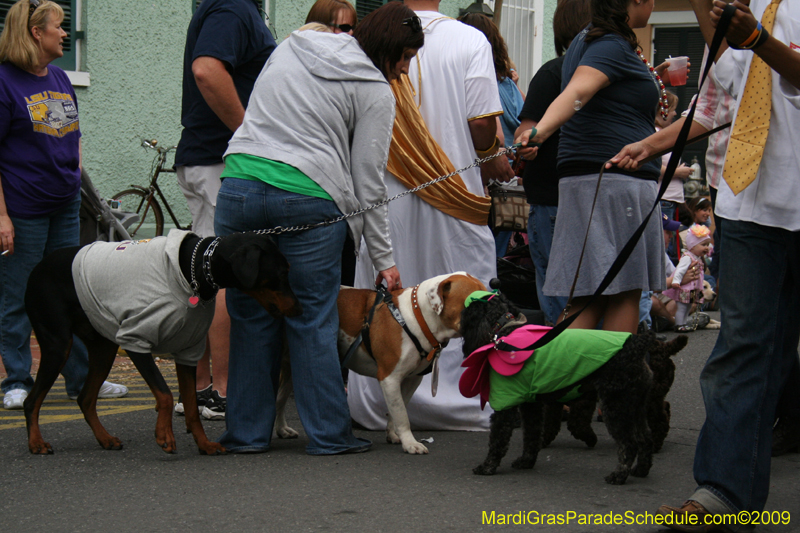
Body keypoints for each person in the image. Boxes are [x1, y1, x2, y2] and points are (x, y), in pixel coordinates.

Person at [611, 0, 800, 522]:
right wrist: (648, 145)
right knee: (741, 350)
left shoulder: (753, 24)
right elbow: (715, 109)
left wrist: (759, 39)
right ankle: (723, 494)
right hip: (749, 205)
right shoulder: (743, 14)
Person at [213, 2, 421, 454]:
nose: (403, 71)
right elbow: (369, 181)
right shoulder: (374, 88)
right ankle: (329, 436)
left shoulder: (293, 45)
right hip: (308, 197)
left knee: (250, 314)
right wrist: (384, 260)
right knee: (313, 317)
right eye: (403, 58)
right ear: (387, 49)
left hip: (237, 186)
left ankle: (245, 435)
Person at [348, 0, 513, 433]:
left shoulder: (370, 36)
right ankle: (466, 401)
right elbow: (482, 126)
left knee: (388, 290)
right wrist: (492, 155)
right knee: (463, 293)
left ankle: (375, 401)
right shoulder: (470, 39)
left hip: (387, 193)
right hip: (456, 194)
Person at [0, 0, 127, 409]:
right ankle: (16, 381)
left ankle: (82, 380)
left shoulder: (57, 77)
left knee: (73, 293)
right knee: (19, 294)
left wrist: (76, 176)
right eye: (59, 26)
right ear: (37, 33)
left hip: (65, 205)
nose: (65, 33)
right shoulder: (5, 82)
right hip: (23, 209)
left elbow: (74, 135)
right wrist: (1, 215)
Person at [515, 0, 668, 335]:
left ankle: (560, 380)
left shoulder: (587, 41)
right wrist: (541, 131)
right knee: (624, 291)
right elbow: (578, 91)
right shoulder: (611, 44)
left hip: (592, 180)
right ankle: (613, 382)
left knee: (588, 296)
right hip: (614, 180)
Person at [174, 0, 276, 420]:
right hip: (220, 158)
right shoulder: (234, 8)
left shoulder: (229, 7)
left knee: (203, 275)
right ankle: (220, 389)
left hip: (206, 155)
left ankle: (199, 388)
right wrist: (248, 134)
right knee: (224, 276)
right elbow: (207, 69)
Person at [515, 0, 590, 326]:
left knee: (558, 293)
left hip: (551, 199)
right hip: (596, 194)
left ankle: (563, 363)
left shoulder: (552, 72)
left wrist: (525, 145)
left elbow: (523, 133)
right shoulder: (617, 73)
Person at [304, 0, 359, 286]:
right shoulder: (301, 67)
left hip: (340, 194)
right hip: (314, 191)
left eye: (355, 28)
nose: (351, 36)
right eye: (345, 27)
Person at [663, 224, 711, 332]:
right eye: (703, 244)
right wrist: (675, 281)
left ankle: (684, 323)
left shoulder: (697, 258)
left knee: (689, 306)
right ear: (693, 245)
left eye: (707, 245)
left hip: (693, 288)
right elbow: (679, 271)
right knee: (682, 307)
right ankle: (679, 325)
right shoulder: (687, 257)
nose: (706, 248)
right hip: (685, 288)